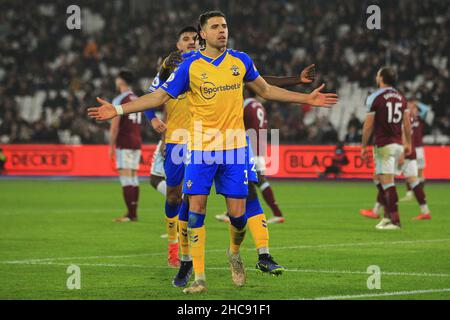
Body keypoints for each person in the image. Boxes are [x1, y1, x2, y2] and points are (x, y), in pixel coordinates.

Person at [87, 10, 338, 294]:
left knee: (238, 217)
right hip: (199, 149)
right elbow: (158, 96)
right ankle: (199, 277)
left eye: (225, 26)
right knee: (196, 210)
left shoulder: (240, 60)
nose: (222, 30)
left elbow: (265, 89)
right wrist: (118, 109)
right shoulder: (189, 66)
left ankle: (234, 252)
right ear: (202, 34)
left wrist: (306, 97)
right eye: (215, 27)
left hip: (234, 149)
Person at [360, 67, 411, 230]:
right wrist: (407, 143)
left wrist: (363, 146)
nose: (376, 77)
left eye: (377, 75)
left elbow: (368, 125)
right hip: (396, 143)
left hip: (384, 144)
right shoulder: (401, 98)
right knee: (377, 177)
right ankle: (387, 217)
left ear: (381, 78)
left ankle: (394, 220)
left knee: (388, 182)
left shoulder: (375, 97)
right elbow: (407, 123)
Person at [109, 70, 142, 222]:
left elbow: (114, 126)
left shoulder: (120, 99)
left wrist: (111, 146)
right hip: (136, 141)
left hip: (124, 142)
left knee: (126, 178)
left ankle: (131, 214)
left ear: (121, 81)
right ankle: (133, 212)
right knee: (134, 177)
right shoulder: (136, 98)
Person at [400, 100, 430, 202]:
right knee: (407, 170)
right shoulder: (406, 119)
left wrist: (417, 103)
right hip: (410, 148)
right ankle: (409, 193)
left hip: (419, 149)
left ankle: (421, 194)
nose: (412, 109)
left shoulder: (420, 118)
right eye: (410, 107)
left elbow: (427, 109)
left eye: (414, 107)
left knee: (420, 172)